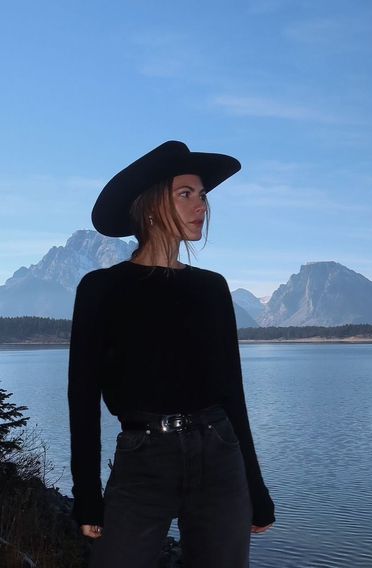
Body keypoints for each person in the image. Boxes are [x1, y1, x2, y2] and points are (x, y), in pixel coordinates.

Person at [68, 140, 275, 568]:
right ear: (150, 206)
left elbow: (232, 392)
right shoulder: (102, 288)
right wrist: (87, 493)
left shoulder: (211, 288)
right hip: (143, 457)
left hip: (219, 454)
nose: (201, 205)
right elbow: (82, 396)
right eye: (186, 193)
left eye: (202, 195)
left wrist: (256, 486)